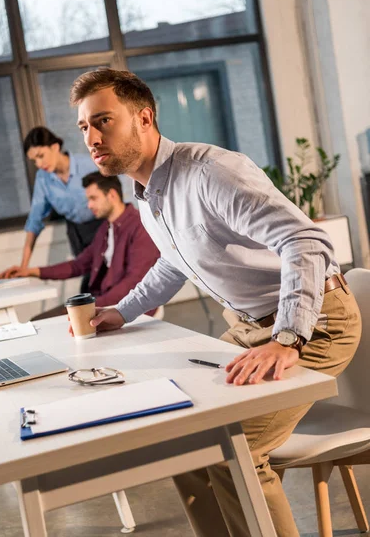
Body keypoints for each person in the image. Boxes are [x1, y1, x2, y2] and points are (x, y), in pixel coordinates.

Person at [69, 67, 361, 537]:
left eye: (103, 121)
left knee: (233, 451)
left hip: (314, 324)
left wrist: (288, 339)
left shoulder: (209, 172)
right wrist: (120, 312)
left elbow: (305, 241)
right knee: (181, 441)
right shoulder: (147, 194)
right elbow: (173, 262)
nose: (91, 137)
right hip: (249, 329)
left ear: (144, 118)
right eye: (84, 126)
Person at [8, 172, 160, 320]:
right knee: (38, 321)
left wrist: (87, 306)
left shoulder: (140, 226)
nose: (89, 205)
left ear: (112, 195)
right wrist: (31, 271)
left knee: (44, 323)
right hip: (102, 302)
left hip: (128, 307)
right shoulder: (105, 228)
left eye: (93, 198)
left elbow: (134, 283)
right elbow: (78, 265)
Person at [0, 126, 100, 291]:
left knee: (106, 279)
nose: (39, 164)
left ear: (55, 147)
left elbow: (117, 195)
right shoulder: (43, 179)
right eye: (34, 160)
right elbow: (34, 221)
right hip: (78, 232)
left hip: (103, 226)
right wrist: (24, 266)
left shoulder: (89, 164)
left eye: (40, 156)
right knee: (90, 280)